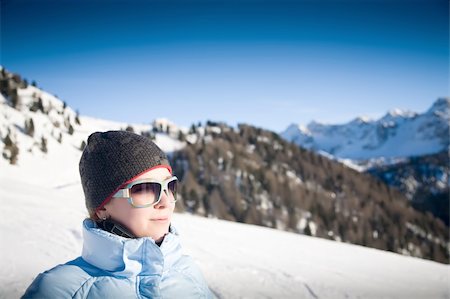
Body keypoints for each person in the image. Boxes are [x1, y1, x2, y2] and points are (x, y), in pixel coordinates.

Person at [22, 130, 214, 298]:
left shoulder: (188, 272)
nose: (165, 202)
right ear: (102, 207)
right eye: (145, 189)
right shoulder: (57, 291)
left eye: (169, 186)